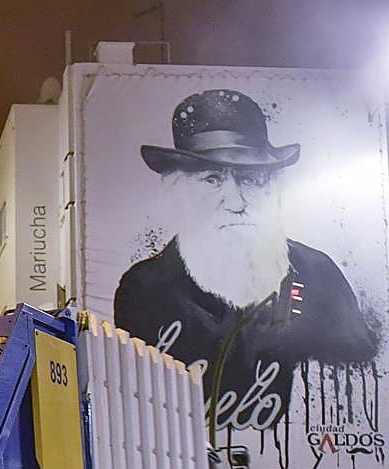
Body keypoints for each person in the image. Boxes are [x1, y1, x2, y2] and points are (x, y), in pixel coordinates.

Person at [114, 89, 377, 432]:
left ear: (273, 189)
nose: (235, 201)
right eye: (212, 179)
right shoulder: (145, 290)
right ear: (177, 189)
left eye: (250, 178)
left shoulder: (318, 277)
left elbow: (356, 391)